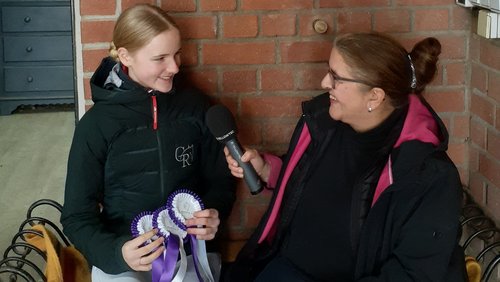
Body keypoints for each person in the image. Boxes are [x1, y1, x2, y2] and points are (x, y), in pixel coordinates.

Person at [223, 32, 467, 281]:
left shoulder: (429, 176)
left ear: (375, 96)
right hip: (284, 268)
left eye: (336, 78)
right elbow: (306, 178)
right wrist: (266, 169)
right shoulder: (323, 123)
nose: (324, 83)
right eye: (329, 71)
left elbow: (413, 275)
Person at [60, 4, 235, 281]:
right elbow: (76, 216)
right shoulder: (95, 126)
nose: (175, 66)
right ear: (126, 56)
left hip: (191, 254)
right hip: (126, 259)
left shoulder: (196, 108)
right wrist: (116, 253)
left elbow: (221, 182)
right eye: (160, 58)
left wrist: (214, 213)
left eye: (177, 53)